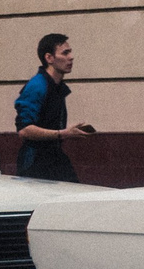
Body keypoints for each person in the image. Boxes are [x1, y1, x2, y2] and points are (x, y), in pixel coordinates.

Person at [14, 33, 91, 180]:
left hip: (53, 157)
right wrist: (63, 133)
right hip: (35, 162)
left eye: (70, 52)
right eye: (65, 53)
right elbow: (24, 130)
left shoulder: (56, 86)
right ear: (49, 58)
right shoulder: (37, 86)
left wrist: (66, 131)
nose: (71, 57)